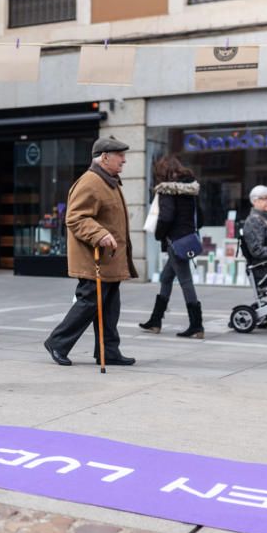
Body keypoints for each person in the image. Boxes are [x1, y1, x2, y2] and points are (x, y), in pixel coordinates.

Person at [43, 137, 138, 367]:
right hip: (93, 259)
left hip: (110, 260)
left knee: (109, 308)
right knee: (88, 303)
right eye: (119, 155)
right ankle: (57, 342)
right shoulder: (90, 182)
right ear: (105, 157)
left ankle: (109, 352)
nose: (124, 159)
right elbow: (75, 217)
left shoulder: (109, 181)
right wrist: (100, 234)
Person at [138, 155, 203, 338]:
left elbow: (166, 217)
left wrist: (159, 234)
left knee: (185, 281)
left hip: (175, 241)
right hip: (187, 239)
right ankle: (155, 320)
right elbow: (202, 216)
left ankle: (196, 325)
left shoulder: (167, 190)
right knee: (166, 278)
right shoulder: (191, 190)